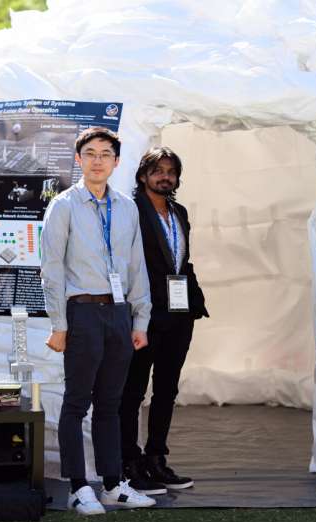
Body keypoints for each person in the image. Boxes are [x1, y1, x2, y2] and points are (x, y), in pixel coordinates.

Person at [40, 126, 155, 515]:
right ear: (78, 159)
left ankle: (112, 484)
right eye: (90, 153)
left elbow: (136, 266)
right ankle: (78, 487)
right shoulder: (63, 206)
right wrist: (59, 324)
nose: (97, 161)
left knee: (111, 403)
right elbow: (51, 269)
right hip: (82, 311)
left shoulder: (126, 208)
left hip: (119, 313)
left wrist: (140, 321)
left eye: (106, 154)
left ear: (116, 162)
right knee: (76, 402)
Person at [119, 147, 209, 494]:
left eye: (171, 171)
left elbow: (181, 261)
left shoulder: (179, 212)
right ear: (143, 175)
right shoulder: (130, 210)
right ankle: (129, 462)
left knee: (167, 389)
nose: (165, 177)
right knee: (133, 391)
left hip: (180, 313)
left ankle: (156, 459)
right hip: (144, 313)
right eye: (158, 170)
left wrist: (193, 301)